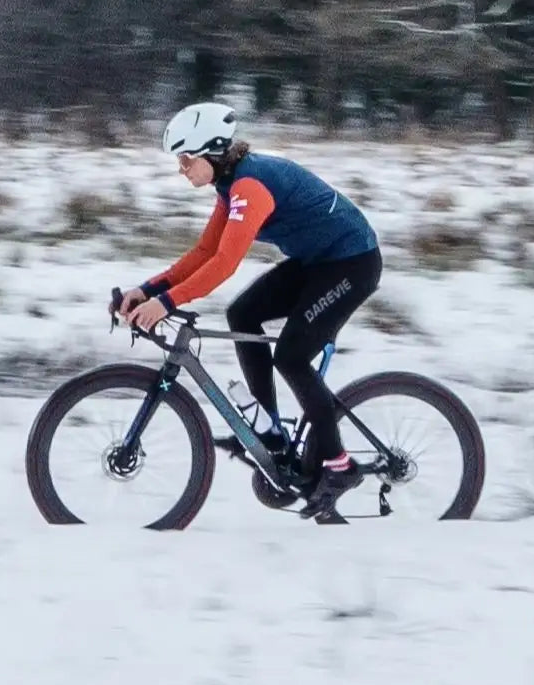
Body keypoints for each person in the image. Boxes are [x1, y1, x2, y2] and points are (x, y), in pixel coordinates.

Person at [117, 101, 382, 521]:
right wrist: (146, 288)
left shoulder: (250, 187)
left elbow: (224, 265)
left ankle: (338, 465)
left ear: (211, 152)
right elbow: (205, 252)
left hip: (352, 264)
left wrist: (165, 303)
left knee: (292, 356)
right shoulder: (230, 184)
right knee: (243, 314)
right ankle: (270, 431)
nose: (181, 169)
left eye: (186, 159)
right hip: (318, 262)